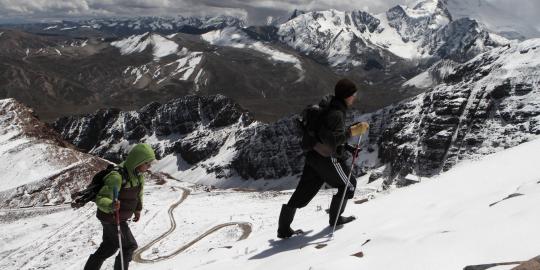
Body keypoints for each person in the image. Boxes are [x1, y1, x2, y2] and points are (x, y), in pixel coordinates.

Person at [277, 78, 369, 238]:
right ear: (347, 96)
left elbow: (325, 133)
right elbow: (333, 140)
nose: (354, 97)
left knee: (303, 192)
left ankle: (283, 229)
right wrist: (352, 132)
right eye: (353, 95)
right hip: (327, 158)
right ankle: (336, 220)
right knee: (349, 185)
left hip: (314, 155)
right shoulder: (337, 113)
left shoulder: (328, 106)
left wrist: (347, 146)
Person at [84, 143, 156, 270]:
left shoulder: (138, 176)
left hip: (115, 217)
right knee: (129, 246)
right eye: (147, 163)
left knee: (110, 245)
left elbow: (138, 194)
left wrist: (138, 210)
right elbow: (101, 198)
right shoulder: (117, 177)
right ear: (138, 161)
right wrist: (111, 205)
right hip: (112, 217)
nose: (149, 166)